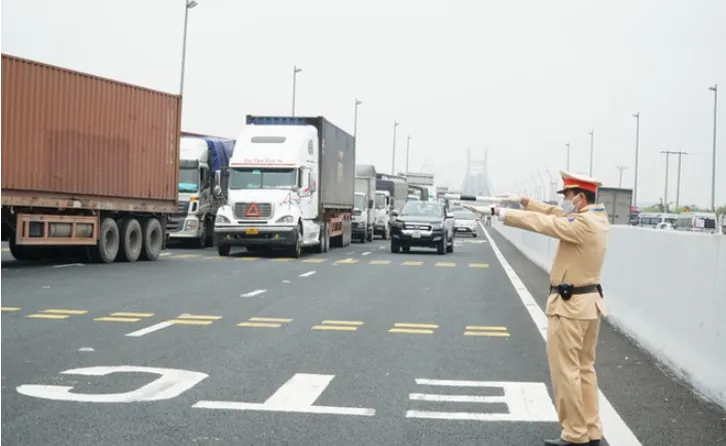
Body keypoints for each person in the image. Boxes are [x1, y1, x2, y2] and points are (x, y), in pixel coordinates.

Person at [485, 172, 609, 446]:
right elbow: (553, 213)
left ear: (579, 197)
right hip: (589, 305)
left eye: (567, 196)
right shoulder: (597, 219)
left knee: (566, 372)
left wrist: (502, 212)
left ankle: (575, 435)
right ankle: (590, 431)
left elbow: (544, 224)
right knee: (585, 370)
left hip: (570, 308)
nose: (564, 202)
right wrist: (525, 200)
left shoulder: (581, 225)